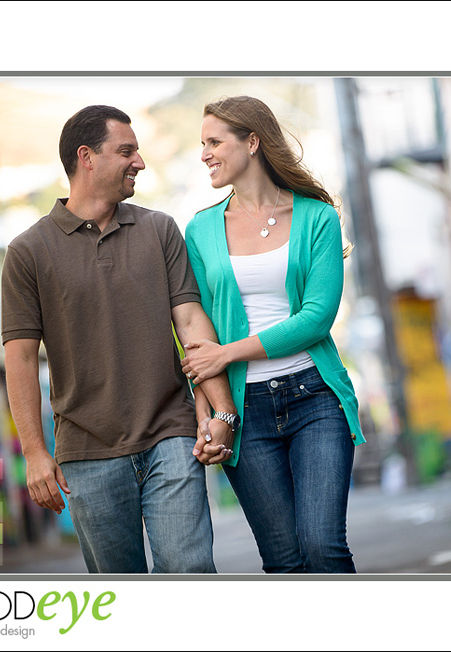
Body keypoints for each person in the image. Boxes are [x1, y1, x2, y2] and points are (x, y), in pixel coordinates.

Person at [1, 105, 237, 574]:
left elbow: (190, 322)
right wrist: (33, 453)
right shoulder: (28, 252)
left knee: (190, 571)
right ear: (86, 157)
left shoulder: (158, 229)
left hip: (171, 434)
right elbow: (21, 360)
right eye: (126, 151)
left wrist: (222, 411)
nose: (140, 162)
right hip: (87, 454)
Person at [181, 95, 366, 573]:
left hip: (315, 398)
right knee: (284, 561)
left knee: (324, 547)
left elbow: (316, 318)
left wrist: (227, 353)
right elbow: (194, 328)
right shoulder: (200, 230)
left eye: (215, 142)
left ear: (253, 142)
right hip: (246, 411)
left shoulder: (317, 217)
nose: (204, 154)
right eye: (202, 144)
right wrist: (210, 408)